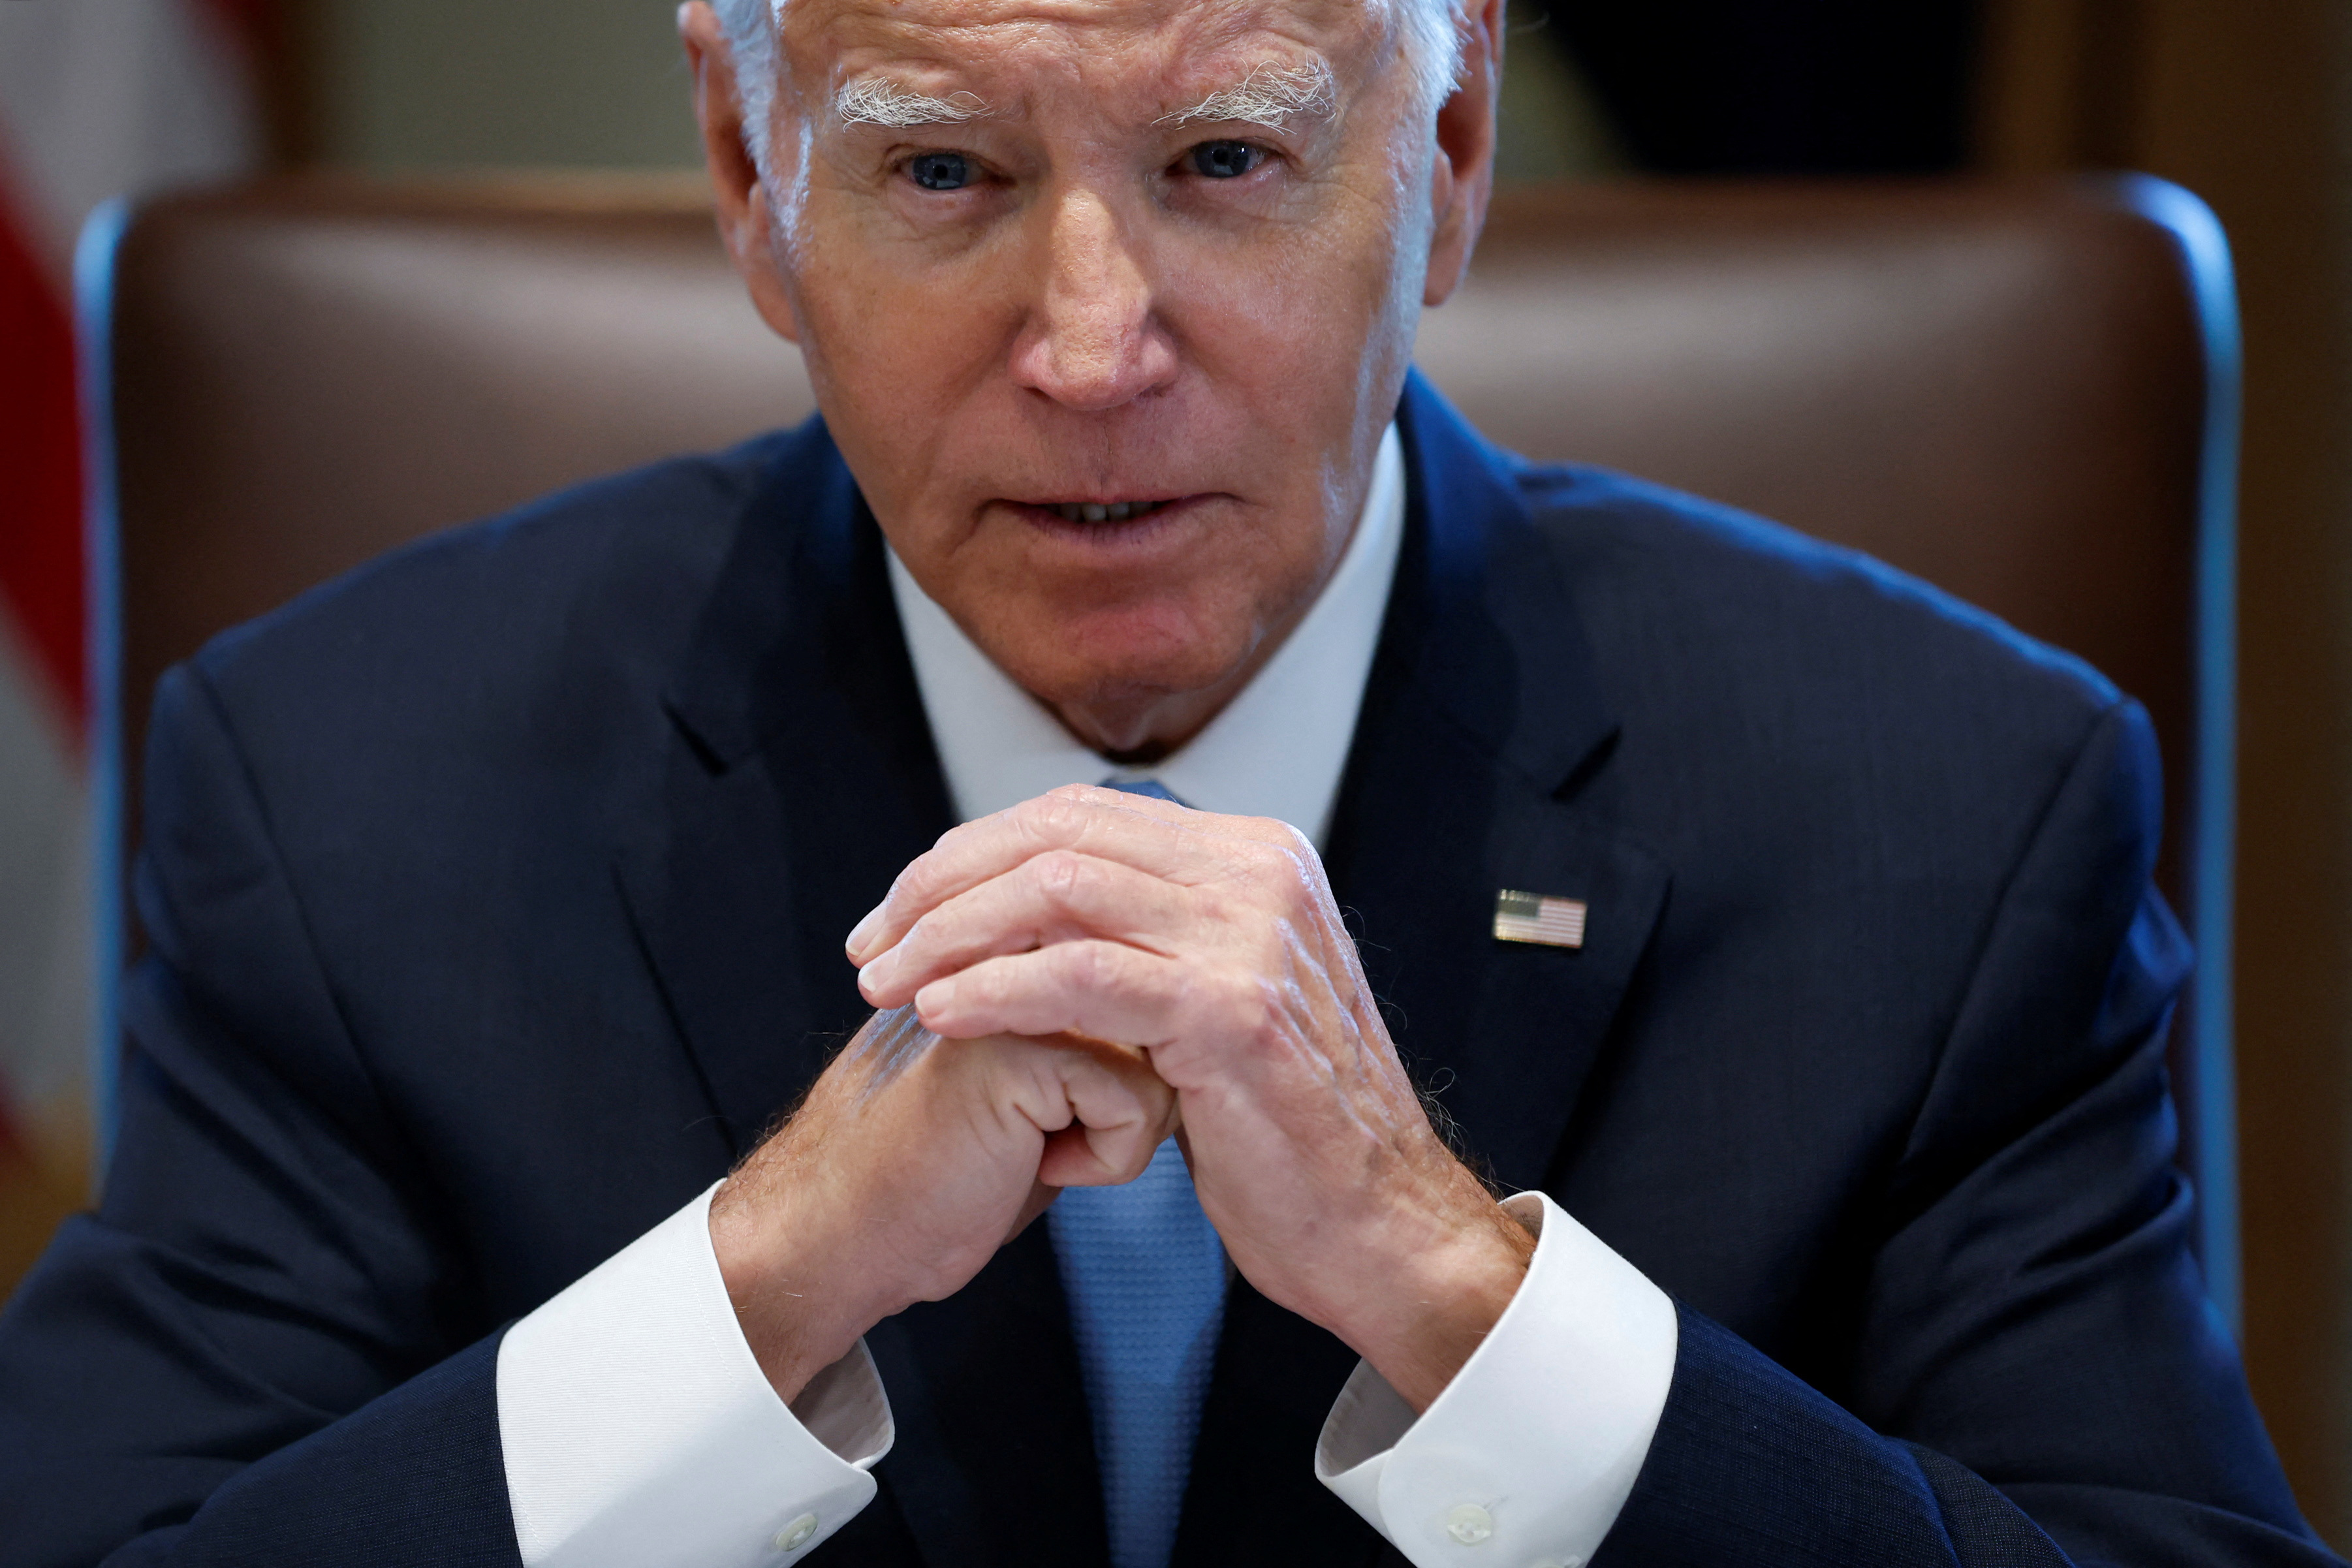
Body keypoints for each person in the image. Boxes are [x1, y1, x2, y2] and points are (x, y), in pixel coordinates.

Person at [0, 0, 2336, 1564]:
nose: (1093, 348)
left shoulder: (1947, 807)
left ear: (1447, 148)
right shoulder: (342, 780)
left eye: (1226, 157)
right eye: (938, 176)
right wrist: (761, 1276)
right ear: (743, 165)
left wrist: (1456, 1289)